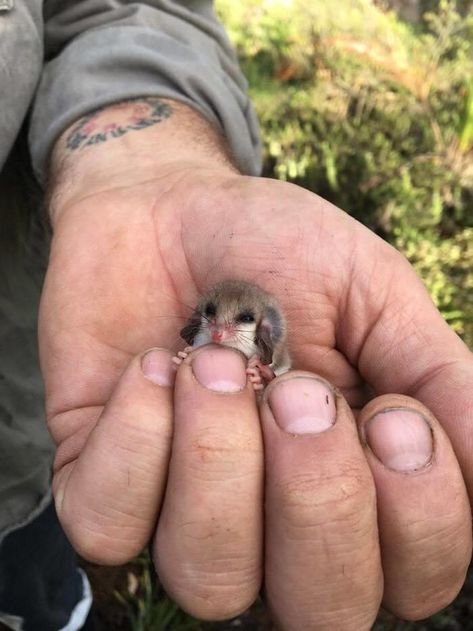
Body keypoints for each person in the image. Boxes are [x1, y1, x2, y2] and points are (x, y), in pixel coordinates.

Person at [1, 1, 472, 630]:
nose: (222, 332)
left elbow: (111, 9)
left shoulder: (253, 344)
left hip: (17, 476)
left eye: (236, 324)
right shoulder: (205, 332)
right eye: (215, 320)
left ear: (261, 328)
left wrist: (144, 166)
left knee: (36, 589)